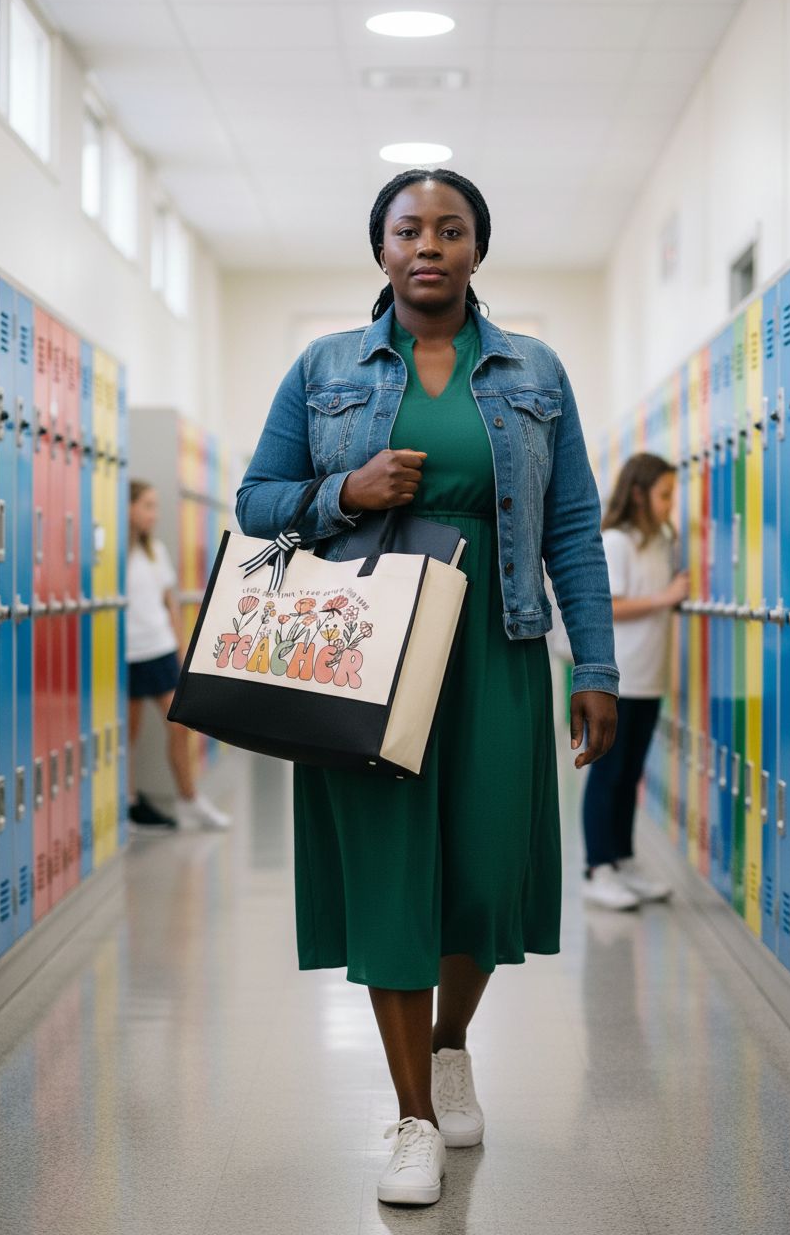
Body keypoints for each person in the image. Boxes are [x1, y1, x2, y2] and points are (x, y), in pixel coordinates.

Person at [236, 169, 619, 1207]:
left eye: (450, 229)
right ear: (382, 249)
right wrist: (341, 491)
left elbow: (574, 528)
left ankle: (451, 1047)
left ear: (476, 249)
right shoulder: (324, 367)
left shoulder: (532, 370)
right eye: (409, 229)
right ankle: (409, 1115)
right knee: (394, 873)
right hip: (369, 653)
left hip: (494, 644)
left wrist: (595, 666)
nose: (429, 246)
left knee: (485, 872)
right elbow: (256, 502)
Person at [581, 452, 689, 911]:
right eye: (665, 494)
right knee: (606, 775)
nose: (670, 504)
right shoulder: (617, 542)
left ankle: (623, 860)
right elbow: (609, 606)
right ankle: (597, 868)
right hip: (617, 682)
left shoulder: (659, 543)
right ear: (641, 494)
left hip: (649, 680)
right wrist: (665, 597)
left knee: (629, 776)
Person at [127, 480, 230, 832]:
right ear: (127, 509)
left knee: (180, 723)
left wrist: (181, 649)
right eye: (147, 506)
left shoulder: (154, 550)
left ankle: (189, 799)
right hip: (128, 656)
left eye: (154, 506)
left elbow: (169, 603)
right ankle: (131, 805)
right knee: (128, 734)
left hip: (159, 650)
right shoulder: (114, 556)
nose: (153, 514)